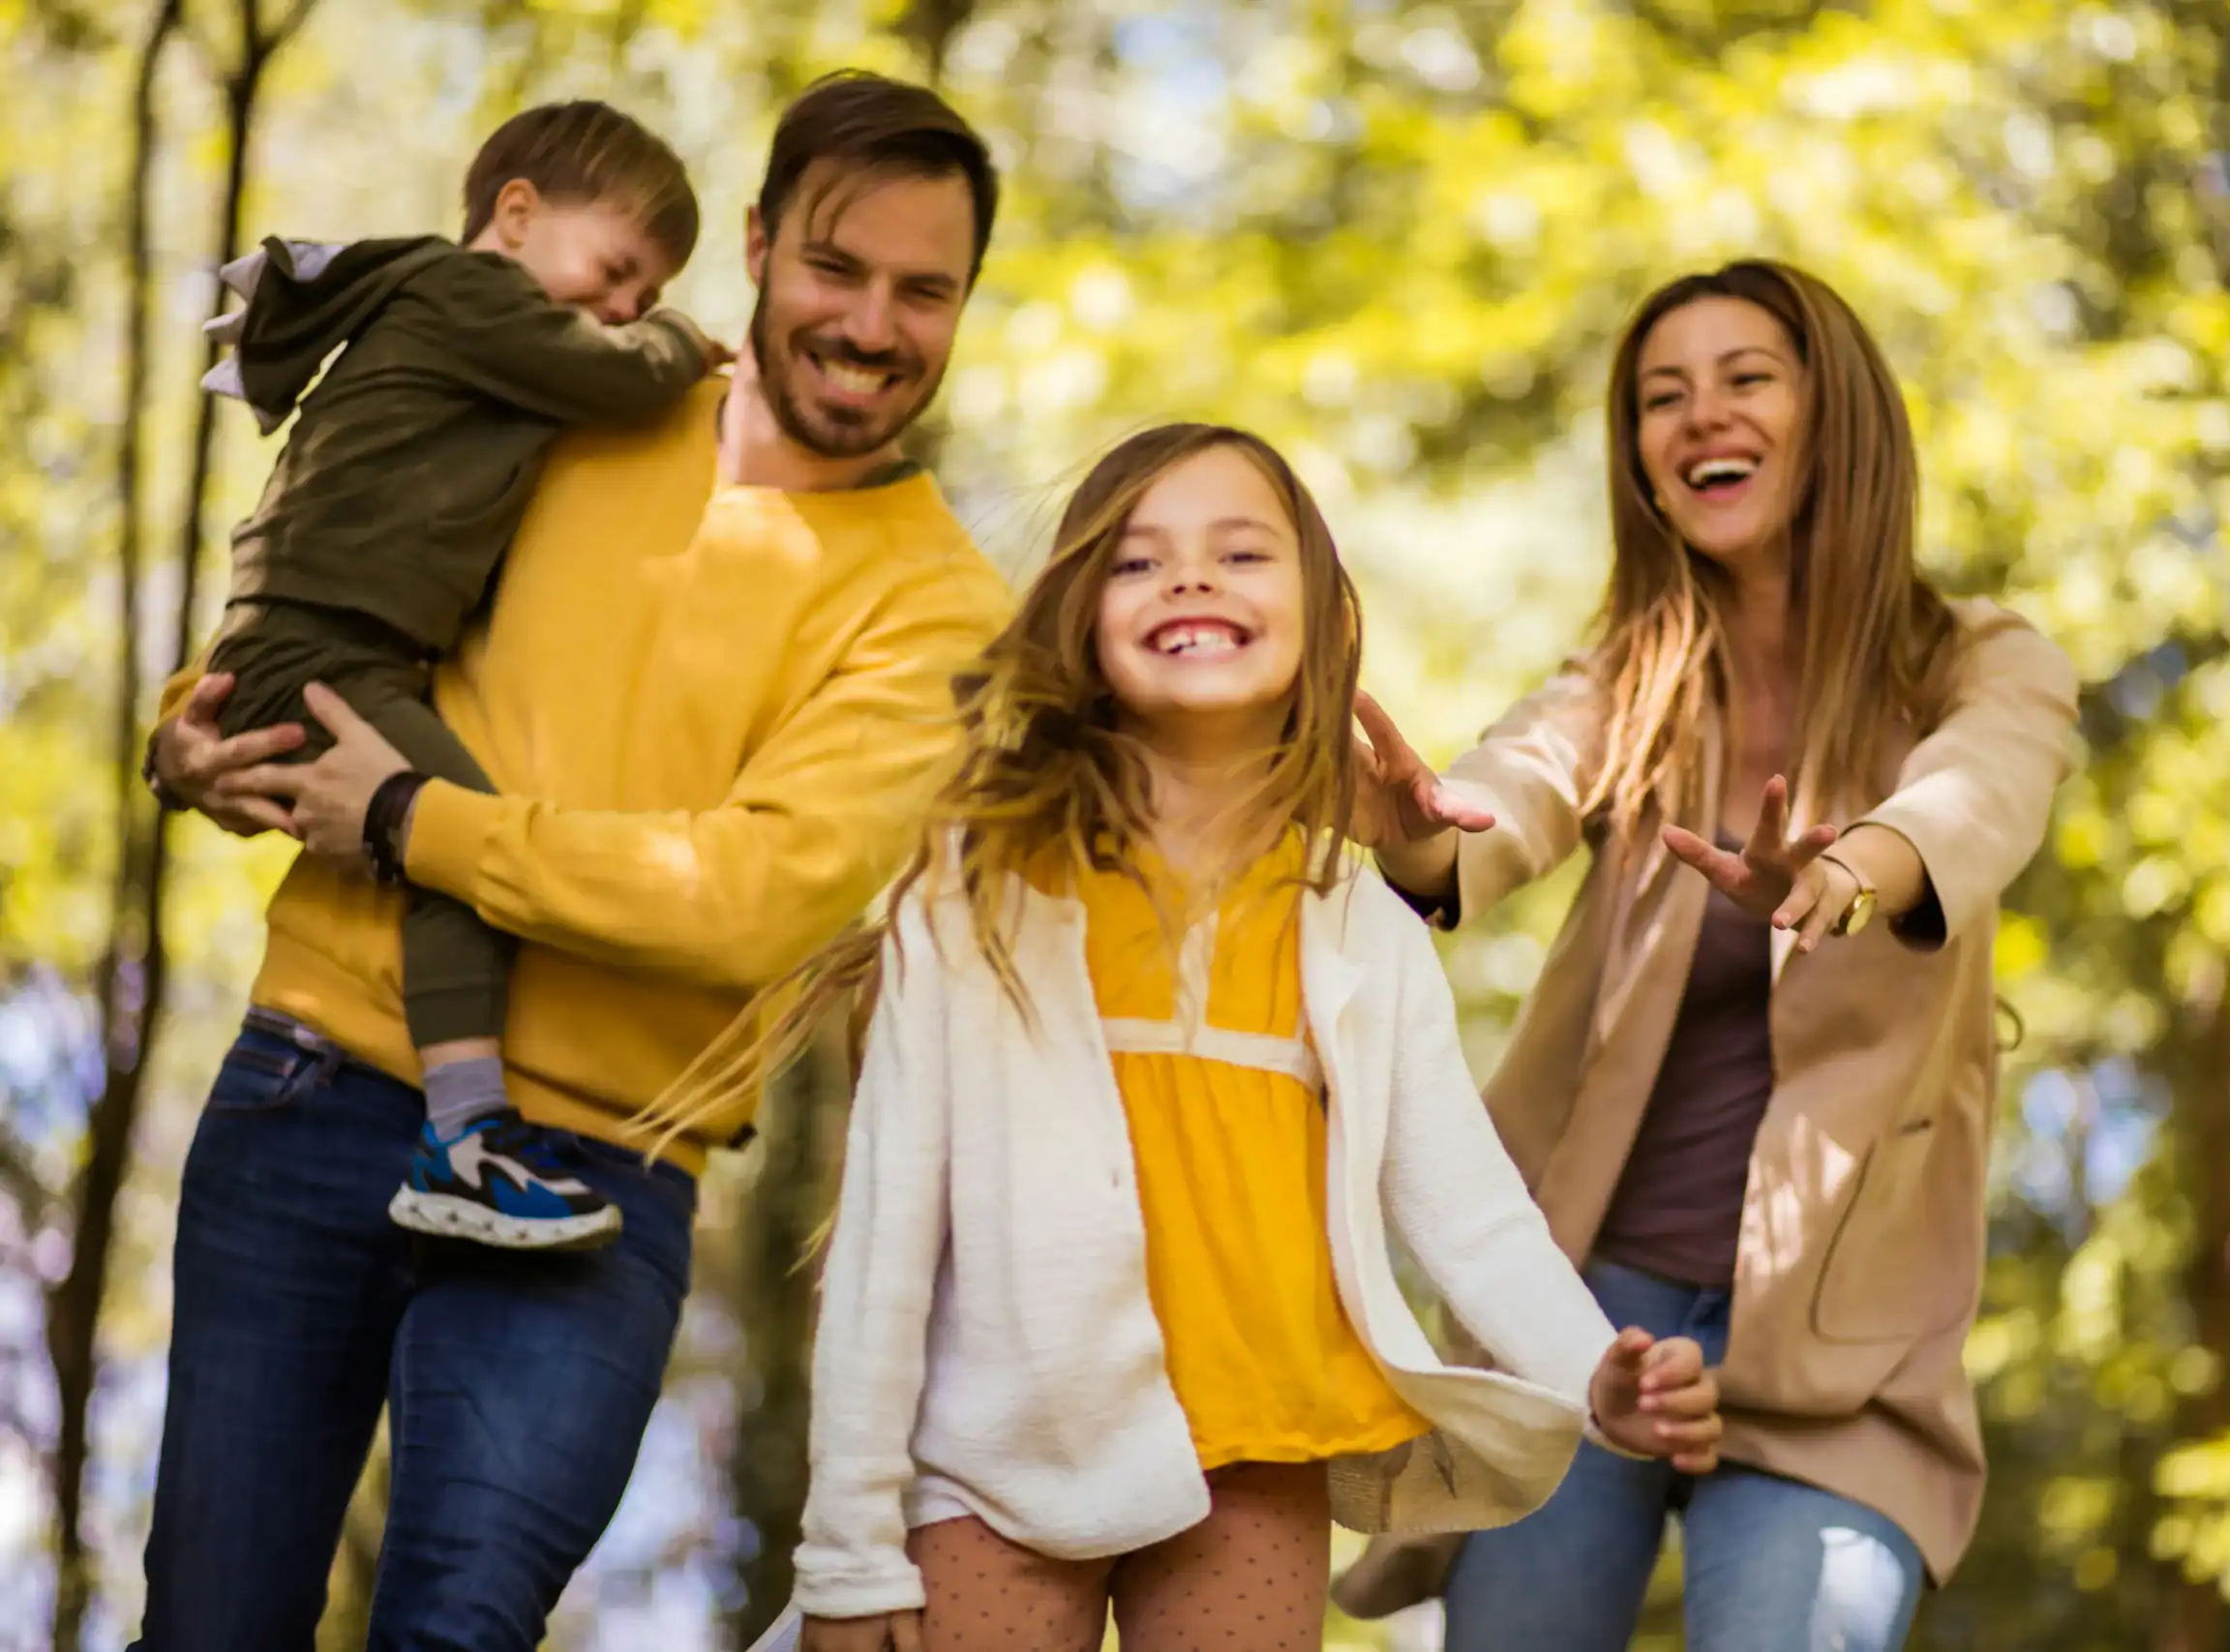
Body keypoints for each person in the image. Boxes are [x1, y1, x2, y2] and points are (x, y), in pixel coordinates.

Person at [135, 70, 1013, 1652]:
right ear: (752, 245)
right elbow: (335, 564)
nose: (873, 323)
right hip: (316, 1082)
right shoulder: (577, 381)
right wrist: (190, 733)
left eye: (923, 289)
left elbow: (752, 899)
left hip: (600, 1173)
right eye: (835, 265)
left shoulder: (943, 609)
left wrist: (416, 822)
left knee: (457, 1629)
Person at [692, 423, 1725, 1652]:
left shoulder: (1361, 929)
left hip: (1257, 1460)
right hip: (994, 1470)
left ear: (1320, 621)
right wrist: (852, 1554)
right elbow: (884, 1246)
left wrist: (1591, 1376)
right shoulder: (978, 896)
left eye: (1241, 554)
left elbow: (1472, 1214)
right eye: (1137, 563)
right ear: (1079, 620)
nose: (1189, 580)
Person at [1334, 260, 2081, 1651]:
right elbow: (1514, 785)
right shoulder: (1632, 676)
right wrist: (1422, 839)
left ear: (1832, 415)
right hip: (1587, 1313)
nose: (1699, 417)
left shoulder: (1981, 662)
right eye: (1660, 398)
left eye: (1746, 378)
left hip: (1839, 1346)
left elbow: (1984, 789)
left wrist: (1848, 871)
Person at [182, 99, 729, 1251]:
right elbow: (619, 380)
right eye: (622, 269)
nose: (628, 307)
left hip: (319, 647)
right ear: (516, 216)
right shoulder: (468, 294)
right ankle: (468, 1138)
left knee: (435, 838)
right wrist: (682, 342)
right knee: (457, 845)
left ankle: (461, 1137)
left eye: (648, 294)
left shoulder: (452, 330)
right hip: (322, 653)